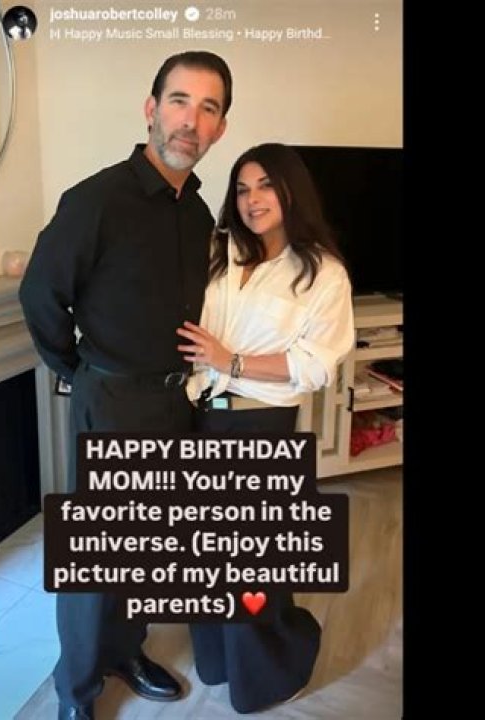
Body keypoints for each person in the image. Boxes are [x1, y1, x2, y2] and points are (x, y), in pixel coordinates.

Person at [19, 51, 232, 720]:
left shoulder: (198, 214)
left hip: (173, 401)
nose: (190, 120)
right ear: (151, 109)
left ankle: (124, 651)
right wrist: (78, 370)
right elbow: (40, 295)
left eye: (208, 108)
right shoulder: (96, 200)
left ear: (220, 127)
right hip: (110, 399)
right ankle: (76, 694)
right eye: (179, 100)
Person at [176, 142, 355, 713]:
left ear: (291, 191)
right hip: (201, 416)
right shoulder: (220, 251)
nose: (252, 200)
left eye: (266, 186)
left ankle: (269, 673)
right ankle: (217, 660)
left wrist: (230, 361)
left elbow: (315, 365)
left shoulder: (322, 273)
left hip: (261, 427)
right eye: (242, 188)